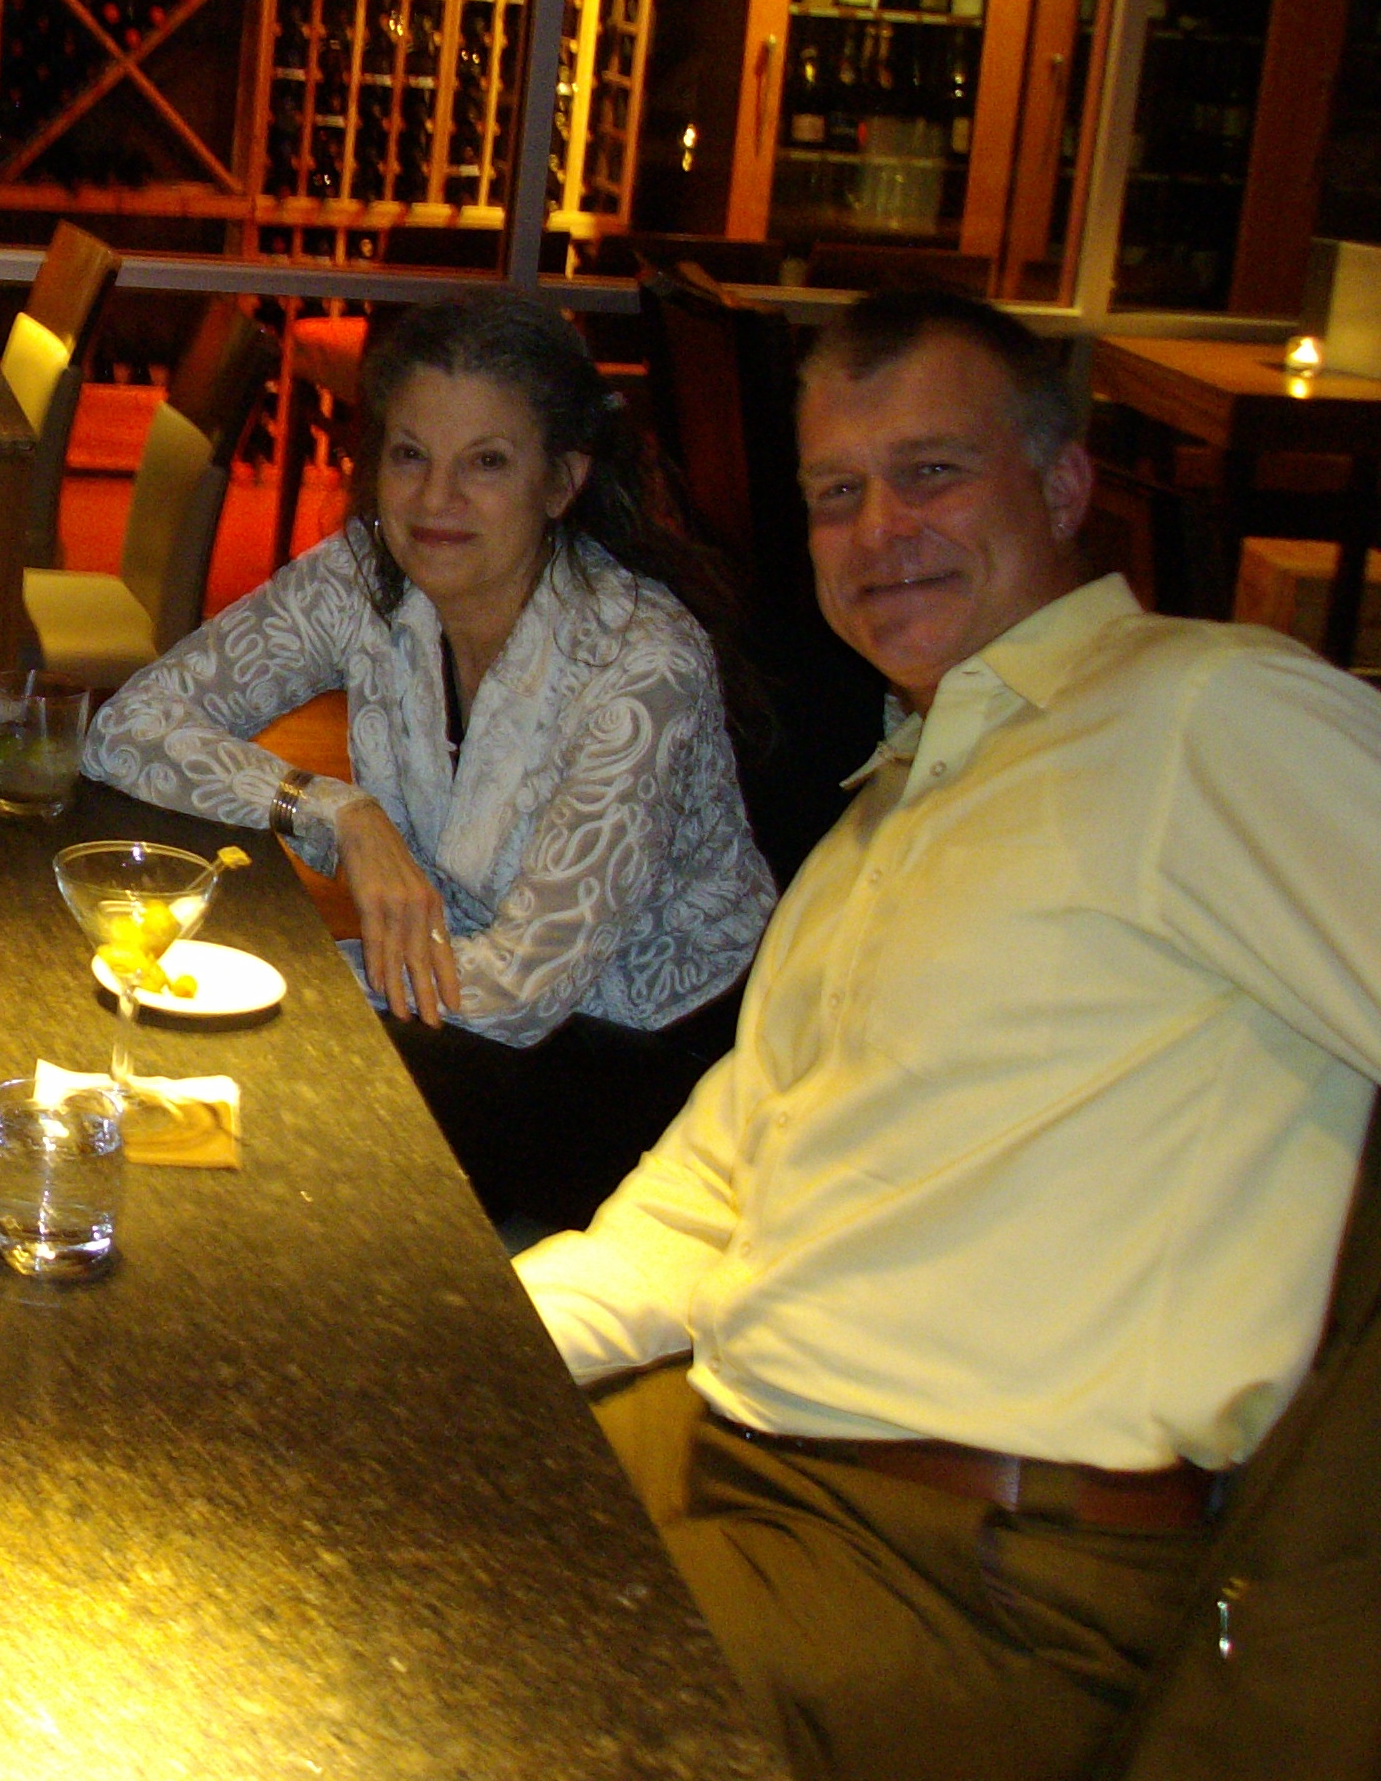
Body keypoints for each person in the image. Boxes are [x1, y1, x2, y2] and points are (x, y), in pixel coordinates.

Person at [517, 290, 1381, 1781]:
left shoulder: (1199, 717)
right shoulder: (904, 796)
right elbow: (712, 1198)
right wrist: (471, 1343)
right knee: (335, 1503)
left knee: (451, 1679)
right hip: (742, 1447)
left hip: (972, 1576)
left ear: (1060, 487)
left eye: (931, 473)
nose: (876, 531)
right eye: (836, 494)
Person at [85, 291, 774, 1228]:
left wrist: (264, 969)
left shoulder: (640, 665)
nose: (435, 501)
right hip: (462, 1007)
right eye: (410, 456)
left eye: (486, 463)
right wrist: (332, 809)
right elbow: (128, 729)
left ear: (562, 481)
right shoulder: (366, 576)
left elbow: (523, 995)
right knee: (180, 1088)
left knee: (255, 1120)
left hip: (645, 1065)